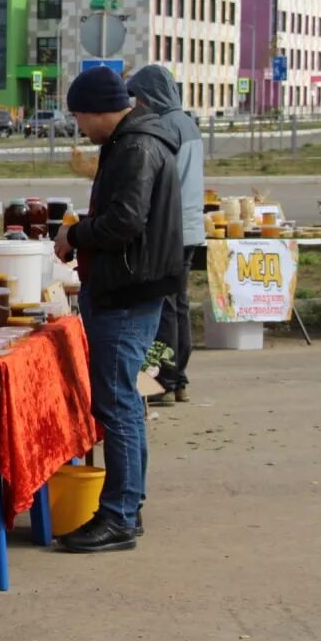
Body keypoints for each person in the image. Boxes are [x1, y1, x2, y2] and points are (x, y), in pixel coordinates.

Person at [53, 66, 183, 553]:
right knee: (121, 400)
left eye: (80, 117)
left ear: (99, 110)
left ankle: (119, 515)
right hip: (130, 284)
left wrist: (76, 234)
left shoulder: (135, 146)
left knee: (118, 402)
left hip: (127, 289)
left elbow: (126, 221)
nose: (80, 129)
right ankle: (127, 507)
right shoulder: (132, 141)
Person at [128, 64, 205, 406]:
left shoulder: (166, 126)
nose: (136, 105)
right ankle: (181, 378)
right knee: (180, 303)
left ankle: (168, 379)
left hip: (171, 228)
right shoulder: (188, 122)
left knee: (167, 306)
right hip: (190, 226)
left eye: (139, 98)